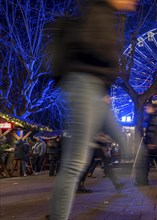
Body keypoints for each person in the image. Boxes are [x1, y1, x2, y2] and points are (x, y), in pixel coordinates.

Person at [48, 1, 137, 219]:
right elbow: (95, 51)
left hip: (94, 90)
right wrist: (107, 73)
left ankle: (123, 180)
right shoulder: (99, 12)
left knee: (126, 144)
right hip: (85, 86)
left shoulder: (105, 14)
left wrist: (104, 88)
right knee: (75, 162)